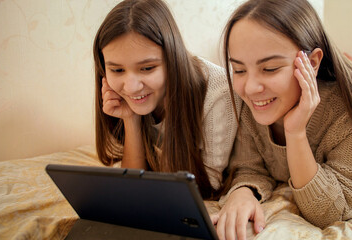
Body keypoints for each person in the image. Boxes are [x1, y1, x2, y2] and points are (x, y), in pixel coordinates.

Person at [212, 0, 352, 239]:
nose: (251, 87)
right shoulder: (251, 103)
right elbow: (250, 167)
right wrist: (242, 193)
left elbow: (330, 211)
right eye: (239, 70)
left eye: (269, 69)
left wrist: (296, 133)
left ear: (312, 63)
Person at [93, 0, 241, 199]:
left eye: (147, 68)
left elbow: (206, 185)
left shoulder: (217, 91)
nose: (131, 87)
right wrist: (131, 120)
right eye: (117, 70)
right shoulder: (129, 98)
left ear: (173, 58)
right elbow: (133, 186)